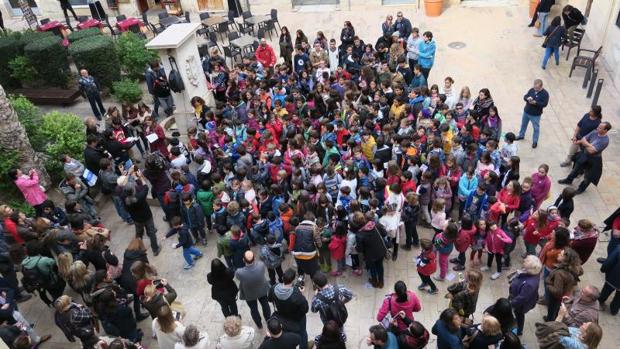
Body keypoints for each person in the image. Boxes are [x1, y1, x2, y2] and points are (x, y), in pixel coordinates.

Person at [558, 122, 611, 194]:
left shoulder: (605, 141)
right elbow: (583, 139)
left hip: (594, 159)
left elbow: (591, 151)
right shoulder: (594, 132)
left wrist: (585, 144)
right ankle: (569, 180)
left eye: (600, 128)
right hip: (585, 154)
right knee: (576, 168)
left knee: (588, 176)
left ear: (605, 130)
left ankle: (581, 189)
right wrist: (589, 145)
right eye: (598, 126)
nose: (597, 128)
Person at [119, 174, 161, 256]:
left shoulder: (124, 198)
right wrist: (140, 177)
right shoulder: (140, 197)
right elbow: (145, 186)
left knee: (139, 234)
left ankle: (138, 250)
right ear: (133, 190)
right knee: (152, 232)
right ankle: (155, 249)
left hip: (136, 219)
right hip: (147, 217)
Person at [268, 268, 309, 349]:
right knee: (302, 333)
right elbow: (305, 309)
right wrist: (301, 294)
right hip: (297, 318)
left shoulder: (273, 288)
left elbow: (269, 299)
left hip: (282, 316)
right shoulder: (296, 295)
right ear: (293, 280)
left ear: (283, 278)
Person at [235, 250, 271, 329]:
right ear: (254, 258)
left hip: (249, 294)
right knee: (265, 305)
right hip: (262, 290)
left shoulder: (239, 272)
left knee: (253, 309)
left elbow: (237, 278)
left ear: (243, 260)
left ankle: (259, 324)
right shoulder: (261, 265)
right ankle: (269, 320)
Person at [545, 248, 584, 321]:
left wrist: (548, 284)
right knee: (557, 309)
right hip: (566, 293)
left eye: (561, 254)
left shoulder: (560, 274)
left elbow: (557, 291)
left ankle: (549, 321)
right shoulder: (575, 267)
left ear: (566, 259)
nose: (558, 254)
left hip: (556, 297)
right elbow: (581, 272)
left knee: (552, 310)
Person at [508, 255, 542, 335]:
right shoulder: (531, 273)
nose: (524, 261)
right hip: (515, 297)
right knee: (519, 315)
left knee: (519, 315)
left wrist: (510, 304)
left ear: (530, 267)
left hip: (520, 304)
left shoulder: (529, 284)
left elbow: (522, 298)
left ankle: (519, 330)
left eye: (526, 261)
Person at [516, 79, 549, 148]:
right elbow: (525, 96)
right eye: (534, 87)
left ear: (541, 87)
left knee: (536, 128)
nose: (535, 89)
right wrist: (527, 99)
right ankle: (521, 135)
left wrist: (536, 103)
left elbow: (544, 104)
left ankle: (535, 141)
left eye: (537, 88)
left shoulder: (545, 94)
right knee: (523, 125)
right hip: (527, 111)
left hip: (535, 115)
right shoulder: (532, 90)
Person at [99, 158, 133, 225]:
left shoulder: (101, 171)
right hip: (116, 191)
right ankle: (128, 219)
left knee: (117, 205)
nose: (111, 164)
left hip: (112, 191)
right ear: (108, 166)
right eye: (110, 164)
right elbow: (121, 180)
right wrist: (124, 172)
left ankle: (123, 217)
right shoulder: (109, 177)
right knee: (122, 206)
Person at [289, 212, 321, 279]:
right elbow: (318, 242)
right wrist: (319, 246)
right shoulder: (314, 227)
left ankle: (301, 279)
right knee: (313, 268)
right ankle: (314, 281)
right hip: (310, 253)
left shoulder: (297, 227)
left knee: (300, 267)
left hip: (297, 253)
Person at [599, 240, 620, 315]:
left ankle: (600, 301)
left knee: (606, 290)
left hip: (613, 278)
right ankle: (614, 310)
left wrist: (603, 269)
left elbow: (609, 261)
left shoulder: (619, 248)